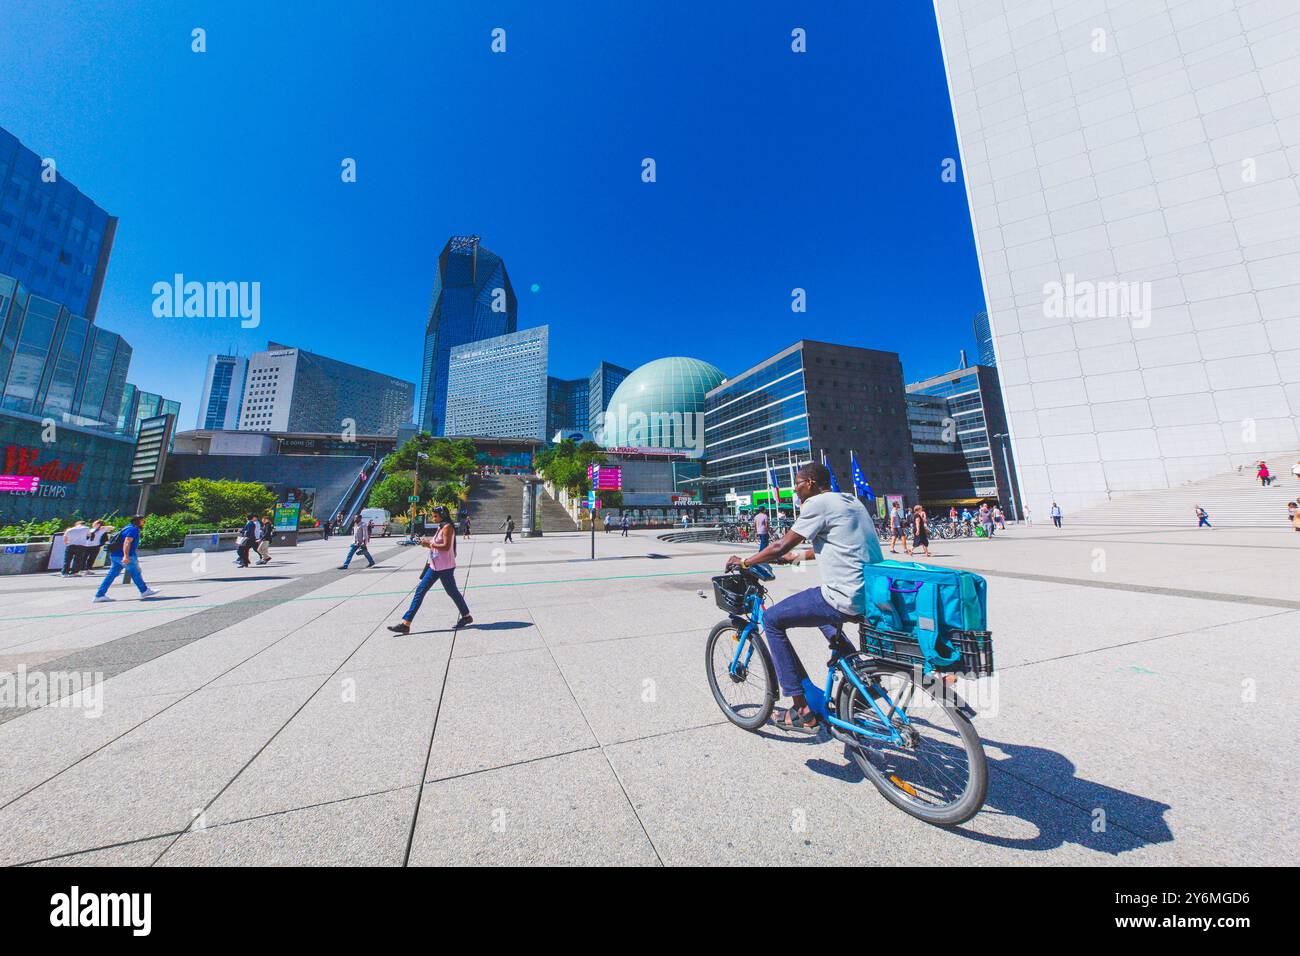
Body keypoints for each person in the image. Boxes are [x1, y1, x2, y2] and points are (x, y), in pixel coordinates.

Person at [724, 462, 881, 735]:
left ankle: (801, 710)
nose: (795, 491)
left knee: (772, 620)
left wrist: (746, 562)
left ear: (809, 483)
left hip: (845, 596)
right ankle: (859, 677)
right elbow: (836, 542)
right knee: (820, 616)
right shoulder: (850, 500)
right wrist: (798, 558)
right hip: (873, 594)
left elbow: (779, 545)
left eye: (797, 484)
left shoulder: (817, 503)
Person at [388, 505, 472, 634]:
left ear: (442, 515)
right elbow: (436, 544)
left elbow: (445, 546)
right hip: (434, 566)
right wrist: (425, 542)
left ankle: (466, 616)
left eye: (435, 516)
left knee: (452, 592)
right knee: (420, 591)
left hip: (445, 567)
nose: (433, 518)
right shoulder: (441, 526)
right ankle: (406, 623)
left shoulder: (448, 527)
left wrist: (430, 544)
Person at [93, 516, 161, 602]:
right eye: (143, 520)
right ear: (138, 521)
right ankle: (144, 590)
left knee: (111, 575)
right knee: (136, 572)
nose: (144, 522)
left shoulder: (126, 528)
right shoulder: (133, 529)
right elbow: (127, 542)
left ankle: (99, 595)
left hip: (115, 555)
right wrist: (126, 555)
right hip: (125, 555)